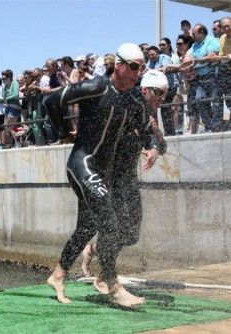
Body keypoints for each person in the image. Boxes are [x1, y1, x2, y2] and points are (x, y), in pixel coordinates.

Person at [44, 43, 148, 307]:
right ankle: (111, 283)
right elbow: (51, 100)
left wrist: (151, 146)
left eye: (142, 68)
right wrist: (63, 131)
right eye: (134, 67)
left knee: (87, 228)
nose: (137, 73)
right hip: (83, 164)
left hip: (104, 172)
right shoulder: (97, 87)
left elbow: (142, 129)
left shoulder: (135, 99)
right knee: (110, 223)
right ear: (120, 65)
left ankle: (58, 274)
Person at [81, 70, 169, 280]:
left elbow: (162, 146)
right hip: (110, 179)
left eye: (164, 94)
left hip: (129, 180)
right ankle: (106, 275)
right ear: (144, 90)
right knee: (117, 227)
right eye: (157, 92)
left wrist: (154, 146)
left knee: (132, 235)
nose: (161, 98)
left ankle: (93, 250)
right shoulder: (126, 108)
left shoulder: (150, 117)